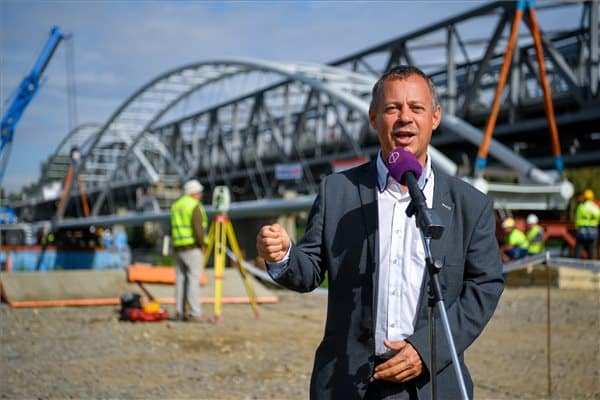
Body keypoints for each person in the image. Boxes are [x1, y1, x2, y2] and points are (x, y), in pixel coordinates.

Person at [256, 65, 505, 399]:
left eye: (416, 108)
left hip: (432, 384)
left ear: (434, 117)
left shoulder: (470, 205)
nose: (405, 118)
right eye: (392, 108)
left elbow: (485, 285)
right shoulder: (337, 191)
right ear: (374, 118)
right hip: (348, 384)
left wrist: (426, 349)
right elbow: (310, 271)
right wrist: (283, 256)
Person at [170, 179, 210, 322]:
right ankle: (194, 312)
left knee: (180, 280)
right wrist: (203, 244)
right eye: (199, 192)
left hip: (178, 247)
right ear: (194, 193)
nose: (200, 195)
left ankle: (179, 311)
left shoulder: (176, 206)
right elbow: (198, 229)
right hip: (192, 248)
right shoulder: (194, 206)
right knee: (194, 279)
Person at [574, 189, 599, 259]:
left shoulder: (581, 207)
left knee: (579, 245)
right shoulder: (595, 207)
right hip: (593, 230)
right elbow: (598, 217)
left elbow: (577, 219)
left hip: (582, 229)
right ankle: (591, 261)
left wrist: (577, 228)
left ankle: (576, 262)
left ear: (584, 197)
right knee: (591, 246)